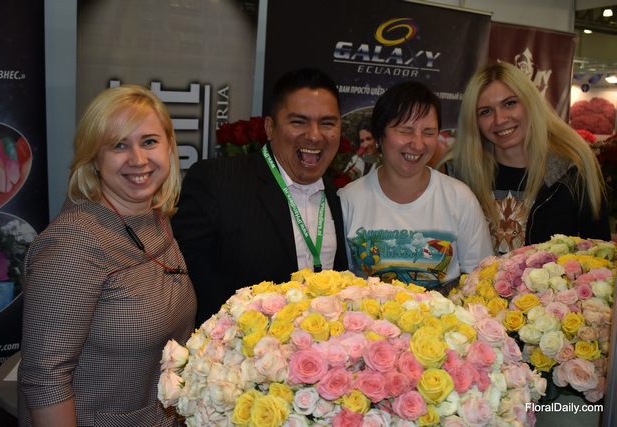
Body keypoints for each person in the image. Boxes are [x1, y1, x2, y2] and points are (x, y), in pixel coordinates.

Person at [18, 85, 196, 426]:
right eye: (118, 145)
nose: (138, 160)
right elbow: (45, 379)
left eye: (149, 141)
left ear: (169, 147)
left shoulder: (155, 218)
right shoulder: (72, 245)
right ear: (94, 158)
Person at [173, 68, 348, 325]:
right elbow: (180, 282)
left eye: (327, 123)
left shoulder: (338, 197)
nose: (314, 135)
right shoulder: (218, 182)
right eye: (298, 122)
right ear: (269, 127)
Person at [339, 81, 492, 291]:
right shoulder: (349, 200)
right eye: (406, 131)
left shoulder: (459, 198)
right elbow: (339, 282)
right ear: (379, 135)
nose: (418, 144)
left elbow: (480, 280)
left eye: (428, 132)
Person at [448, 61, 610, 254]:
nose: (500, 119)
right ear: (474, 121)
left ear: (530, 103)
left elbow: (600, 256)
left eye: (509, 103)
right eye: (486, 112)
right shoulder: (458, 176)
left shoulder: (574, 171)